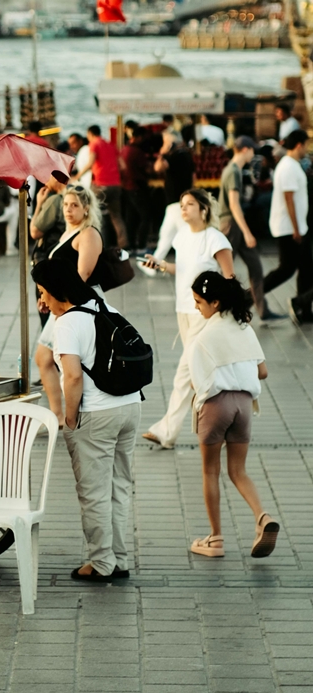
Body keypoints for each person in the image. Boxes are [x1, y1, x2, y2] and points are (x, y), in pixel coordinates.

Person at [32, 258, 141, 582]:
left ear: (56, 291)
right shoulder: (101, 304)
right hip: (130, 407)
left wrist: (69, 418)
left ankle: (101, 563)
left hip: (97, 414)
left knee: (93, 492)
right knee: (119, 487)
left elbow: (73, 377)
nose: (41, 302)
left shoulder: (66, 323)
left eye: (42, 293)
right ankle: (118, 559)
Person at [186, 271, 278, 558]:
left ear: (215, 302)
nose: (196, 307)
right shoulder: (244, 328)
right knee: (238, 471)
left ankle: (215, 540)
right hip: (244, 406)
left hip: (217, 406)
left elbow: (197, 382)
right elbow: (262, 371)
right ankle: (262, 517)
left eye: (199, 302)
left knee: (209, 471)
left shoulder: (205, 336)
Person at [142, 189, 235, 449]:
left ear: (204, 209)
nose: (183, 209)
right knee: (201, 373)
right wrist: (160, 265)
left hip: (204, 316)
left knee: (185, 372)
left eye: (190, 204)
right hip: (183, 311)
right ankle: (224, 423)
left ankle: (167, 432)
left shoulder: (215, 239)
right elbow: (181, 270)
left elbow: (230, 279)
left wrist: (228, 311)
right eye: (181, 204)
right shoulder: (182, 236)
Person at [35, 183, 104, 427]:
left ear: (86, 209)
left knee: (47, 358)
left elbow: (82, 274)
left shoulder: (88, 234)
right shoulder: (68, 232)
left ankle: (63, 415)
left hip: (75, 304)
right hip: (63, 304)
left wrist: (56, 299)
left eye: (74, 205)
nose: (68, 210)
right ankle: (58, 415)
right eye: (65, 204)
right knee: (46, 359)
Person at [218, 136, 280, 320]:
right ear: (245, 149)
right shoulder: (233, 172)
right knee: (225, 271)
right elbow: (234, 204)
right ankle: (220, 308)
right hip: (231, 224)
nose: (253, 154)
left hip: (235, 223)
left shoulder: (234, 170)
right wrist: (247, 232)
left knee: (255, 266)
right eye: (252, 150)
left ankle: (262, 309)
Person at [264, 130, 313, 320]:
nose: (307, 149)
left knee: (306, 268)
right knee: (286, 269)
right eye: (306, 144)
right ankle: (251, 294)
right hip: (289, 227)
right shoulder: (289, 167)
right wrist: (295, 228)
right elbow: (289, 199)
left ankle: (303, 306)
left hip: (296, 227)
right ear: (299, 145)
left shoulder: (291, 165)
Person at [73, 125, 127, 249]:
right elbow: (123, 166)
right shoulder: (111, 145)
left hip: (101, 185)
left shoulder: (94, 144)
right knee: (116, 216)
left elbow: (91, 163)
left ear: (90, 134)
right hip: (115, 185)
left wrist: (77, 176)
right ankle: (123, 245)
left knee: (94, 214)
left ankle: (98, 244)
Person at [30, 176, 67, 325]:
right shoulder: (77, 196)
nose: (45, 182)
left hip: (49, 263)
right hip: (66, 263)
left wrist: (39, 204)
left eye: (47, 178)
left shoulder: (55, 201)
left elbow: (34, 231)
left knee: (49, 318)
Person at [120, 127, 152, 254]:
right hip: (137, 186)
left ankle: (131, 245)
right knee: (145, 216)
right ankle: (141, 245)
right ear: (138, 137)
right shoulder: (136, 152)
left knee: (131, 217)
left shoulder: (124, 149)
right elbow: (147, 169)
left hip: (126, 187)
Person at [155, 130, 195, 206]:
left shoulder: (174, 156)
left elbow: (158, 168)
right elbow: (193, 175)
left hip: (174, 196)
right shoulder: (186, 154)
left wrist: (162, 154)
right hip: (185, 193)